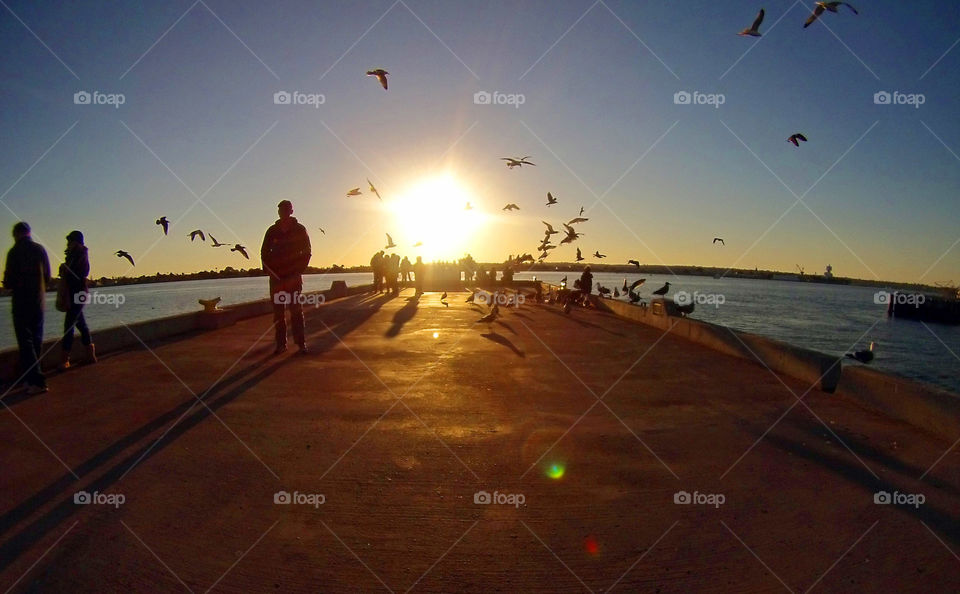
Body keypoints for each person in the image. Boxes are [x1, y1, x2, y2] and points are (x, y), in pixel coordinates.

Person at [3, 222, 51, 394]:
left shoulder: (14, 252)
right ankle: (31, 378)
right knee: (36, 340)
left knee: (26, 341)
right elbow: (47, 276)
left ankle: (37, 381)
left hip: (21, 302)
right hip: (39, 301)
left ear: (16, 234)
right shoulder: (40, 250)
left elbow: (8, 281)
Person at [261, 200, 311, 354]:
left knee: (296, 311)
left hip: (293, 278)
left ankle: (301, 343)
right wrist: (270, 271)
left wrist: (298, 271)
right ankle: (281, 344)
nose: (282, 212)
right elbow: (264, 253)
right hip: (276, 279)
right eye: (280, 210)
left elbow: (307, 252)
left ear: (291, 211)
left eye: (285, 209)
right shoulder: (272, 231)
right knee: (278, 314)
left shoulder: (300, 229)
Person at [60, 230, 95, 369]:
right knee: (80, 324)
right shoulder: (76, 254)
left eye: (70, 241)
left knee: (69, 325)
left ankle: (65, 359)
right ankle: (90, 355)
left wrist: (65, 268)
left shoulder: (79, 254)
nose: (69, 243)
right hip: (76, 293)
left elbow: (80, 273)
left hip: (77, 293)